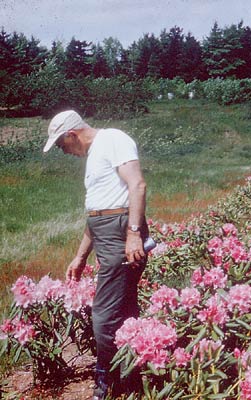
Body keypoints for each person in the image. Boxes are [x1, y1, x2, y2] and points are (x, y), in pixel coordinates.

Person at [43, 110, 148, 399]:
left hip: (120, 234)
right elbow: (96, 214)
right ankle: (134, 376)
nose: (64, 152)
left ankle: (109, 379)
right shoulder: (95, 155)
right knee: (123, 312)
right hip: (107, 232)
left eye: (62, 146)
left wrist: (134, 234)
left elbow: (137, 185)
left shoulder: (113, 139)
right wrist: (80, 257)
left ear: (71, 134)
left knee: (103, 315)